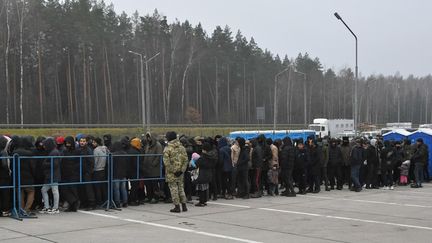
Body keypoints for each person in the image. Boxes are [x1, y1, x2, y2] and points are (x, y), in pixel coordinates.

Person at [163, 131, 189, 213]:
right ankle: (184, 206)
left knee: (173, 189)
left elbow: (166, 162)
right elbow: (186, 160)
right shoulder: (182, 147)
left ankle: (177, 206)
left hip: (171, 173)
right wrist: (182, 170)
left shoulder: (168, 148)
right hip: (181, 173)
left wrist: (174, 171)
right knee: (181, 188)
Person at [39, 138, 61, 214]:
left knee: (54, 191)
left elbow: (55, 164)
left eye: (45, 145)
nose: (44, 147)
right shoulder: (53, 151)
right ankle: (47, 207)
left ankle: (55, 208)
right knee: (44, 190)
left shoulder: (54, 152)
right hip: (50, 175)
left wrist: (45, 164)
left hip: (53, 175)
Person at [61, 136, 81, 212]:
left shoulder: (77, 151)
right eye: (66, 143)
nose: (67, 144)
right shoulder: (64, 151)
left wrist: (74, 168)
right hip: (65, 173)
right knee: (64, 189)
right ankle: (73, 202)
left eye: (69, 143)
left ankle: (73, 205)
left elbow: (79, 162)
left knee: (73, 189)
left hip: (74, 173)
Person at [143, 132, 163, 204]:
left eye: (149, 137)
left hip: (154, 169)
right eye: (147, 137)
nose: (148, 138)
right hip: (147, 168)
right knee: (148, 184)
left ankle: (156, 197)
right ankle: (149, 197)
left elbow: (159, 156)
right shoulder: (147, 145)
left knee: (154, 184)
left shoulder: (158, 145)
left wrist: (153, 164)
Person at [194, 142, 216, 206]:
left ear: (203, 149)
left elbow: (197, 164)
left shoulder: (202, 157)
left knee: (201, 188)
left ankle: (201, 202)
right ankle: (204, 201)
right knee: (205, 187)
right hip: (208, 173)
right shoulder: (211, 156)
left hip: (202, 174)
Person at [112, 141, 129, 208]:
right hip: (124, 174)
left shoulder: (113, 154)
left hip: (116, 174)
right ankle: (125, 202)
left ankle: (117, 203)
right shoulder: (125, 153)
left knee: (117, 189)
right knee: (123, 189)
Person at [92, 137, 109, 207]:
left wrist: (93, 168)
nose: (93, 143)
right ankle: (105, 200)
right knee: (103, 187)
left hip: (97, 170)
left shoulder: (96, 150)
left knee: (97, 188)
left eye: (94, 142)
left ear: (97, 143)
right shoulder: (105, 148)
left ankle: (99, 202)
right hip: (103, 169)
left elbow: (95, 161)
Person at [0, 136, 11, 216]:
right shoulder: (3, 152)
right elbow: (4, 164)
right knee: (5, 193)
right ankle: (5, 210)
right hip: (4, 176)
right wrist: (8, 171)